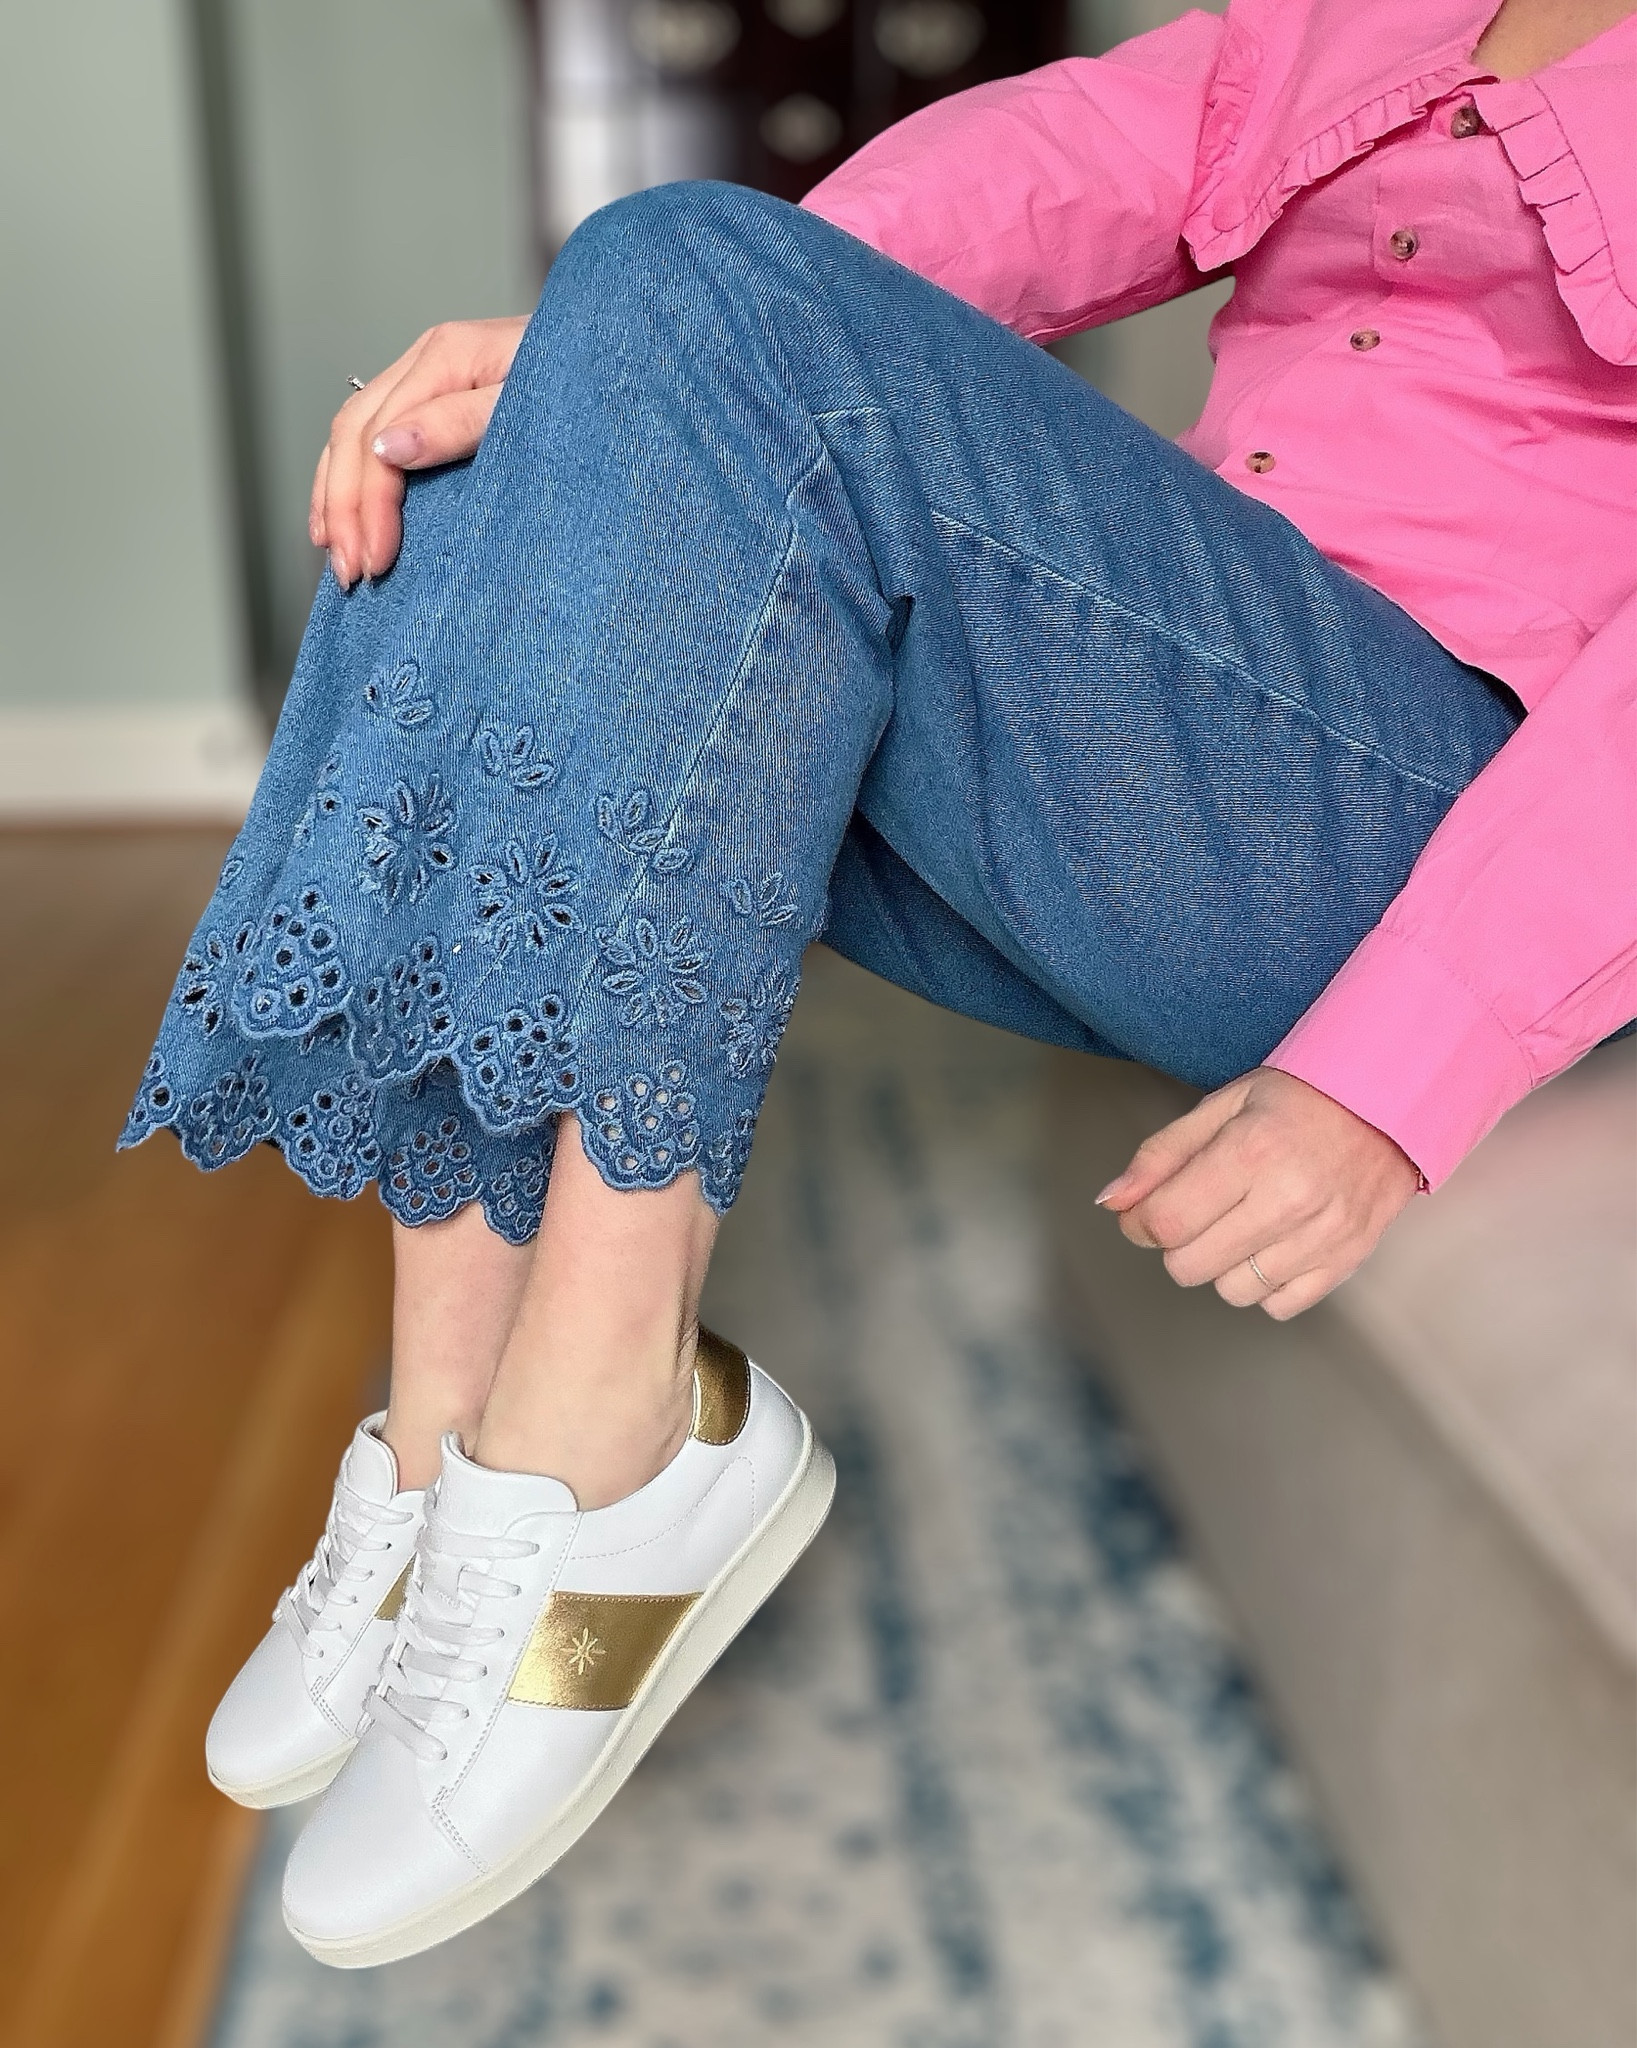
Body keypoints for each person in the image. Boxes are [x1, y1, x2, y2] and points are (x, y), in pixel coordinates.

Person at [121, 0, 1633, 1969]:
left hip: (1427, 813)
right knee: (487, 485)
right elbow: (1085, 149)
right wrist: (620, 384)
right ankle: (438, 1452)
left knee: (666, 284)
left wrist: (1399, 1068)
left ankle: (612, 1432)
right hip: (1193, 751)